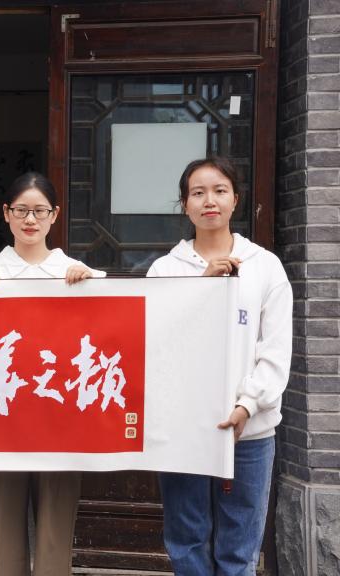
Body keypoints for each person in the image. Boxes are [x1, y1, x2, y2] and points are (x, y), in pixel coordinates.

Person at [147, 156, 292, 576]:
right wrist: (202, 290)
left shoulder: (265, 266)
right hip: (183, 430)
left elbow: (275, 349)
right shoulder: (165, 270)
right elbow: (155, 343)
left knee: (239, 548)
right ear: (185, 205)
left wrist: (248, 404)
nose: (209, 200)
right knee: (186, 540)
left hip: (250, 431)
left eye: (219, 191)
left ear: (235, 200)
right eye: (198, 193)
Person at [0, 170, 104, 576]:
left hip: (60, 419)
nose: (30, 220)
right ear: (6, 213)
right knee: (4, 529)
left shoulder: (76, 271)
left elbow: (106, 335)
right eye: (21, 210)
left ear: (54, 215)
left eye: (40, 211)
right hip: (1, 418)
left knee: (55, 533)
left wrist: (91, 287)